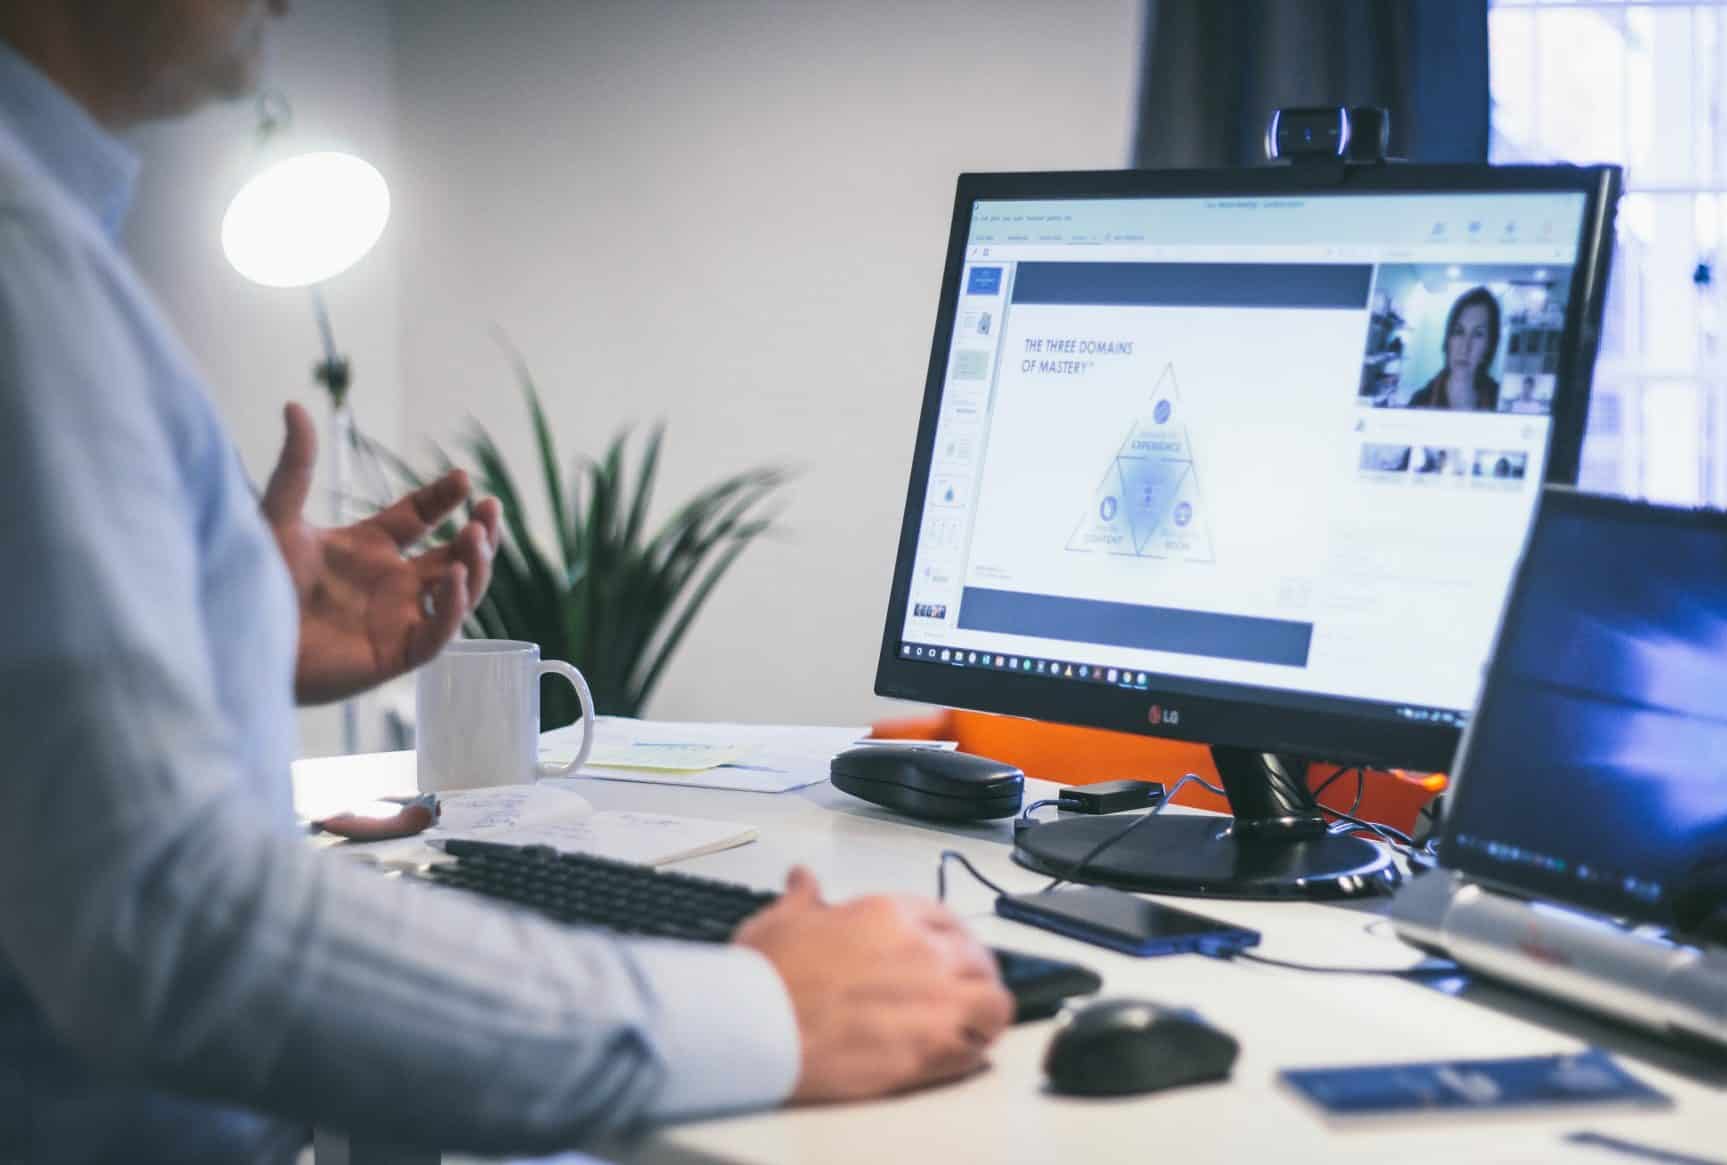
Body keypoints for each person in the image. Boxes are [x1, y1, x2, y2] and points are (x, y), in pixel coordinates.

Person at [0, 3, 1011, 1161]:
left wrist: (223, 622)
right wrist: (767, 1014)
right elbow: (165, 926)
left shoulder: (55, 247)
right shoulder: (28, 273)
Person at [1405, 286, 1502, 411]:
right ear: (1448, 339)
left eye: (1478, 334)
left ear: (1489, 345)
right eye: (1459, 332)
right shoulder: (1420, 401)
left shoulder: (1500, 401)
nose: (1465, 347)